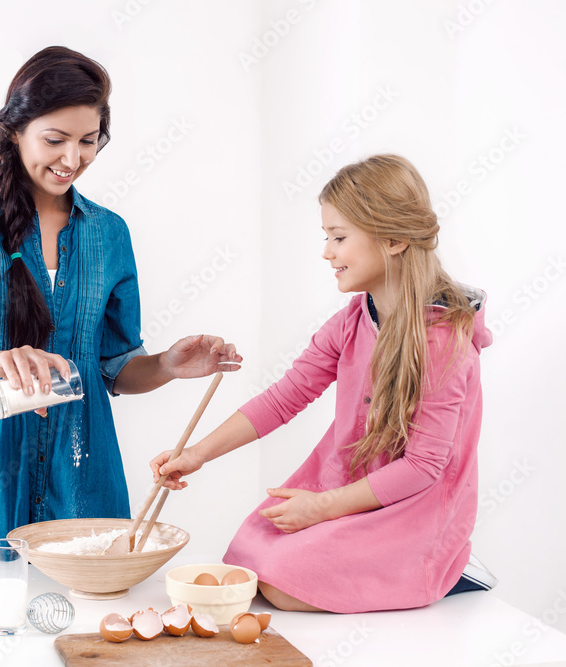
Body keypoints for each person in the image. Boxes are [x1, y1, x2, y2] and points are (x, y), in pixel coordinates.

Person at [0, 46, 241, 569]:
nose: (72, 159)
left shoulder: (109, 233)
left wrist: (167, 367)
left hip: (85, 485)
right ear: (15, 131)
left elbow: (115, 368)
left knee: (87, 633)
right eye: (55, 140)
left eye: (88, 141)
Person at [152, 154, 495, 613]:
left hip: (415, 506)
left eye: (339, 237)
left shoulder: (443, 341)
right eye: (326, 237)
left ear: (393, 239)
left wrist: (323, 508)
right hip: (354, 492)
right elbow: (284, 398)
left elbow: (422, 468)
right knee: (247, 565)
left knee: (282, 586)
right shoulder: (352, 320)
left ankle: (445, 566)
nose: (326, 251)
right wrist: (194, 455)